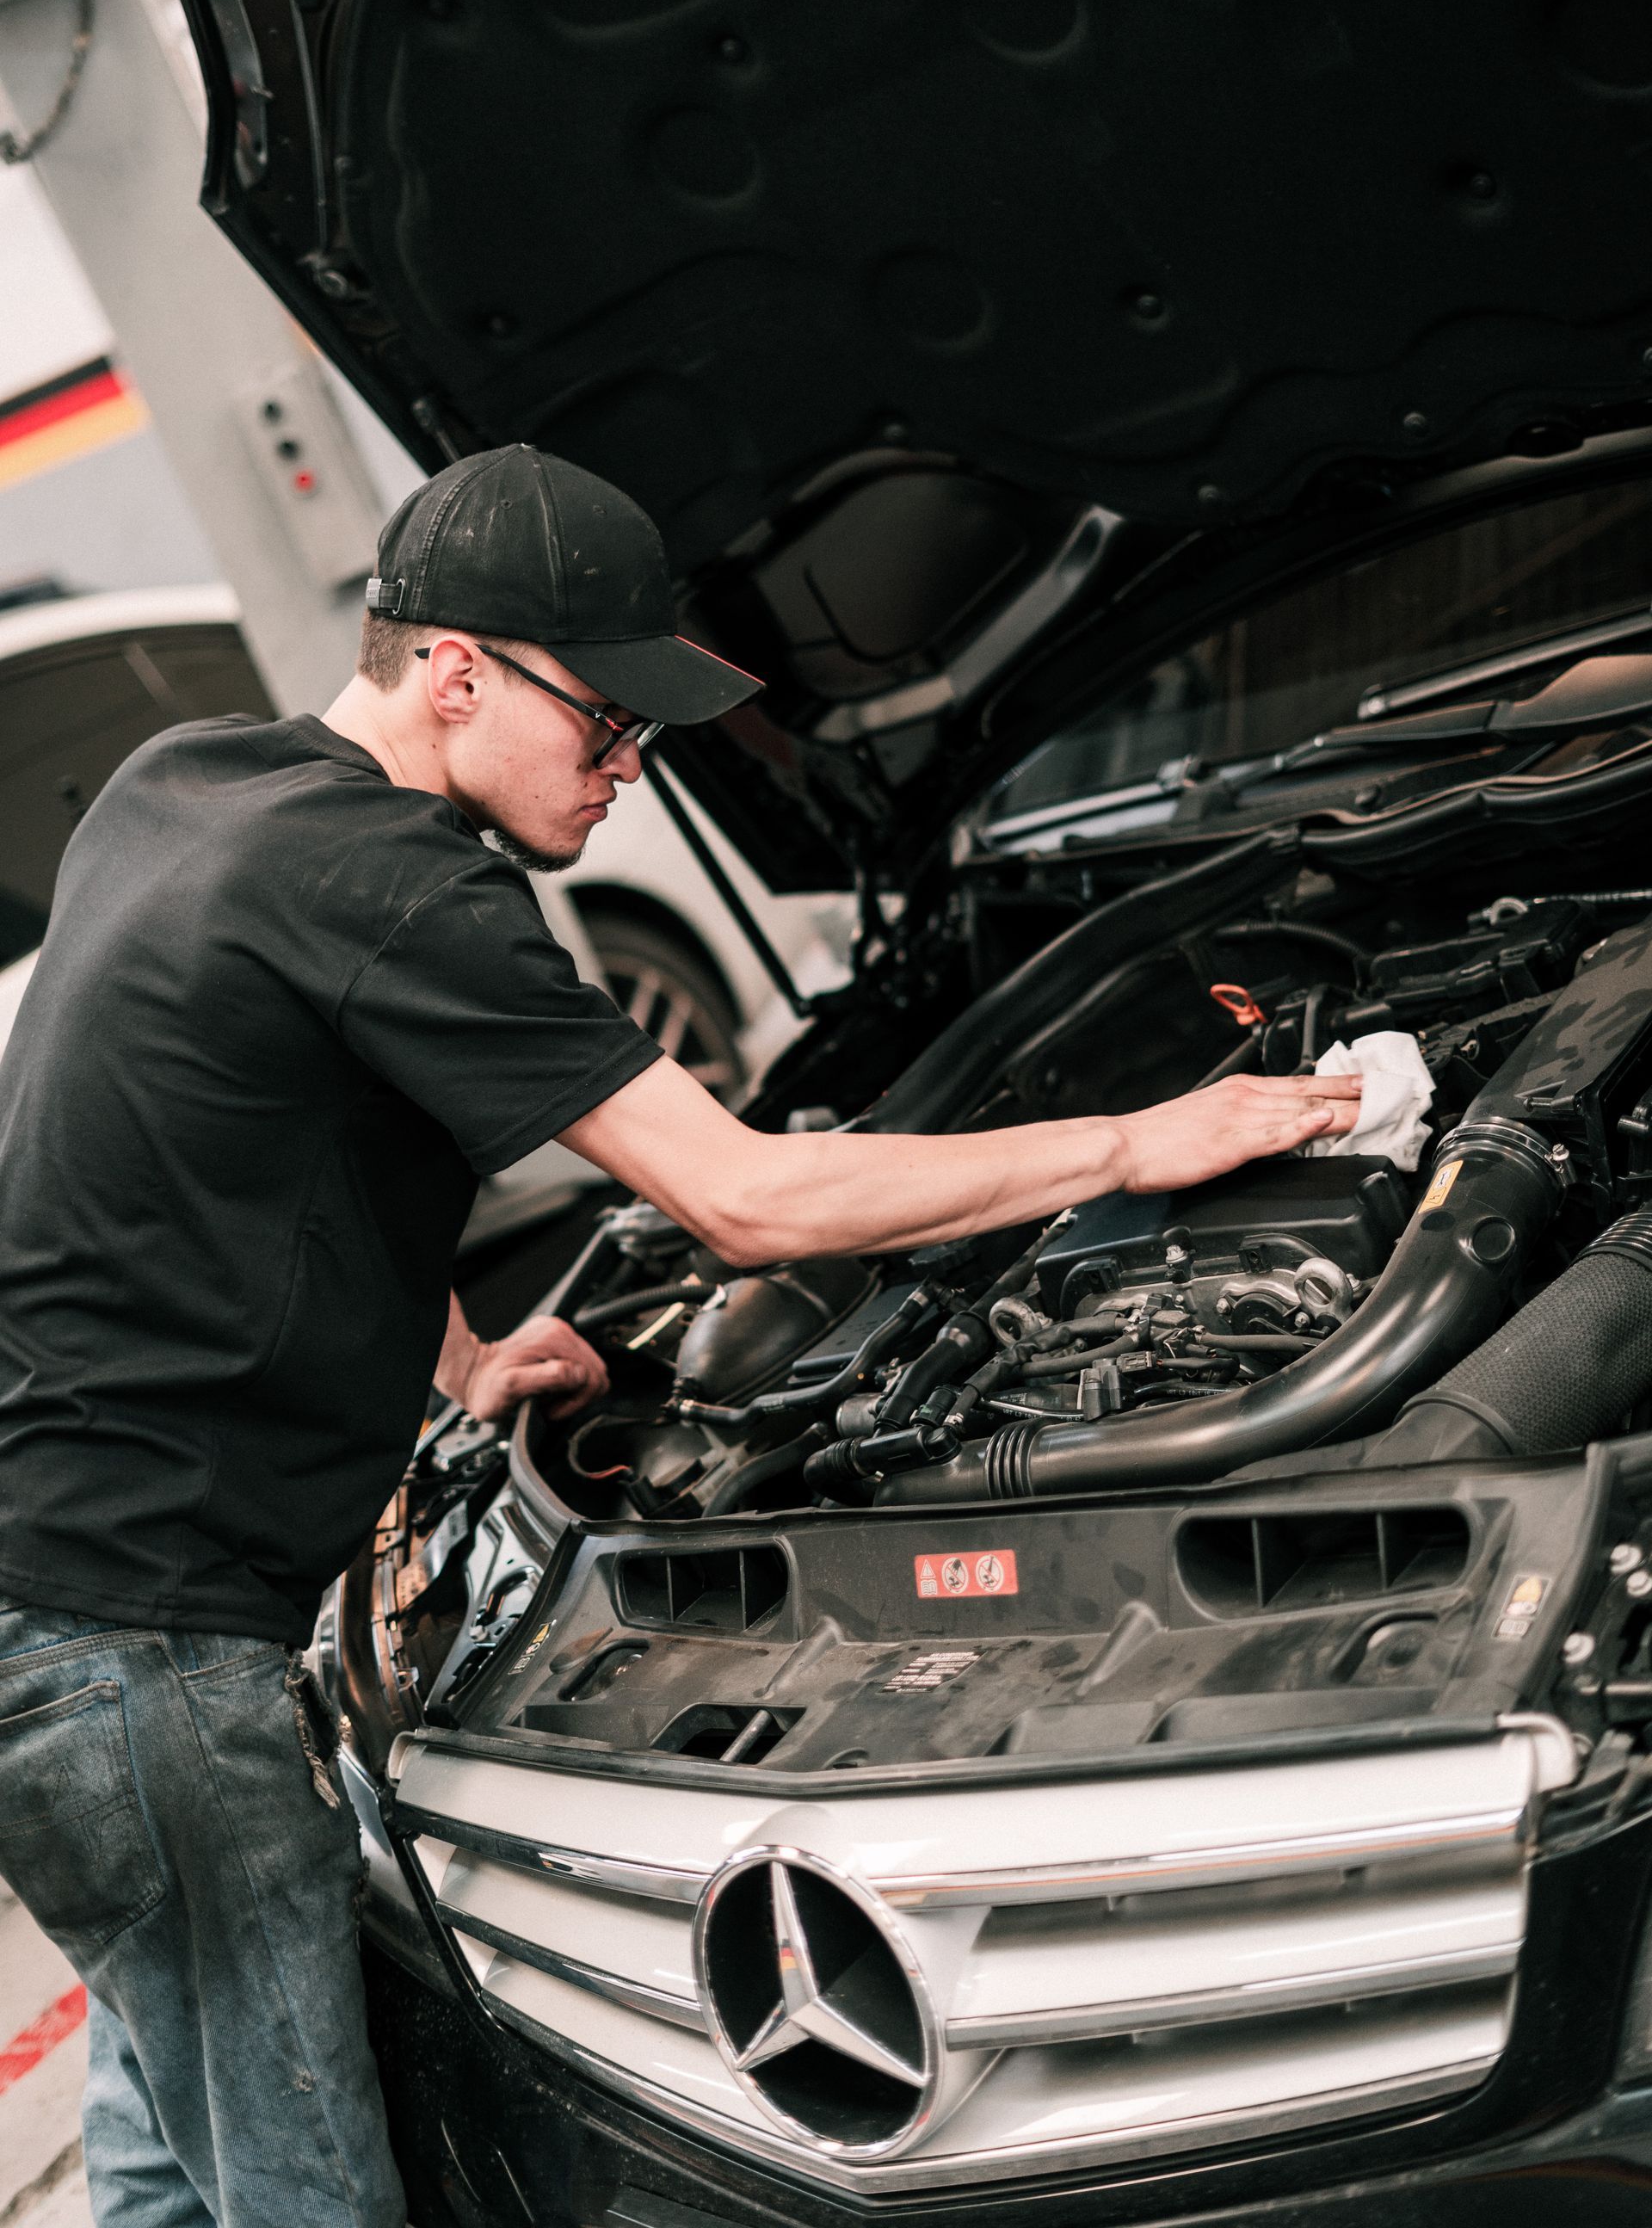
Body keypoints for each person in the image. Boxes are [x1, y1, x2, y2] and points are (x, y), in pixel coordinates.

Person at [0, 445, 1360, 2228]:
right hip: (141, 1662)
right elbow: (749, 1205)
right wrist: (1134, 1141)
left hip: (56, 1619)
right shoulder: (395, 883)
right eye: (605, 721)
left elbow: (234, 1148)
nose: (632, 769)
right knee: (306, 2189)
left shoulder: (196, 788)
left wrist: (471, 1357)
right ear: (458, 673)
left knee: (171, 2148)